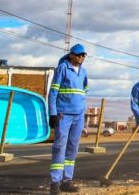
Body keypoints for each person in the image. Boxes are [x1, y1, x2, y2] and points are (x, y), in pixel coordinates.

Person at [48, 44, 89, 194]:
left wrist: (82, 109)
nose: (80, 57)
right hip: (63, 115)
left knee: (72, 149)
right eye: (78, 54)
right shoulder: (62, 68)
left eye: (83, 55)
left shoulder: (83, 72)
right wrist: (52, 113)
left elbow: (84, 90)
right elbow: (53, 92)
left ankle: (67, 181)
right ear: (71, 55)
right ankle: (55, 183)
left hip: (78, 115)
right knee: (60, 148)